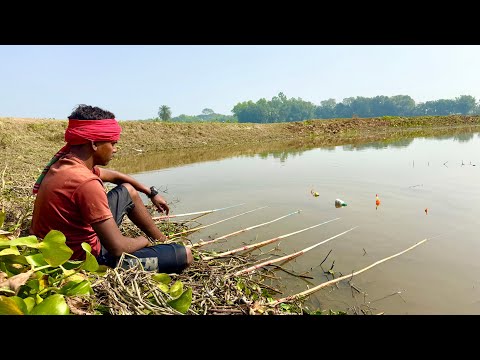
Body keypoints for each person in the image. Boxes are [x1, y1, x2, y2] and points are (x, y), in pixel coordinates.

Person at [30, 104, 193, 273]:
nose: (115, 149)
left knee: (128, 190)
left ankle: (162, 239)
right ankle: (156, 246)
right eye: (113, 143)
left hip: (61, 246)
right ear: (94, 144)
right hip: (84, 260)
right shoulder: (87, 183)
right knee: (185, 255)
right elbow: (118, 248)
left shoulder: (66, 164)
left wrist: (151, 193)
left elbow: (116, 176)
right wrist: (142, 240)